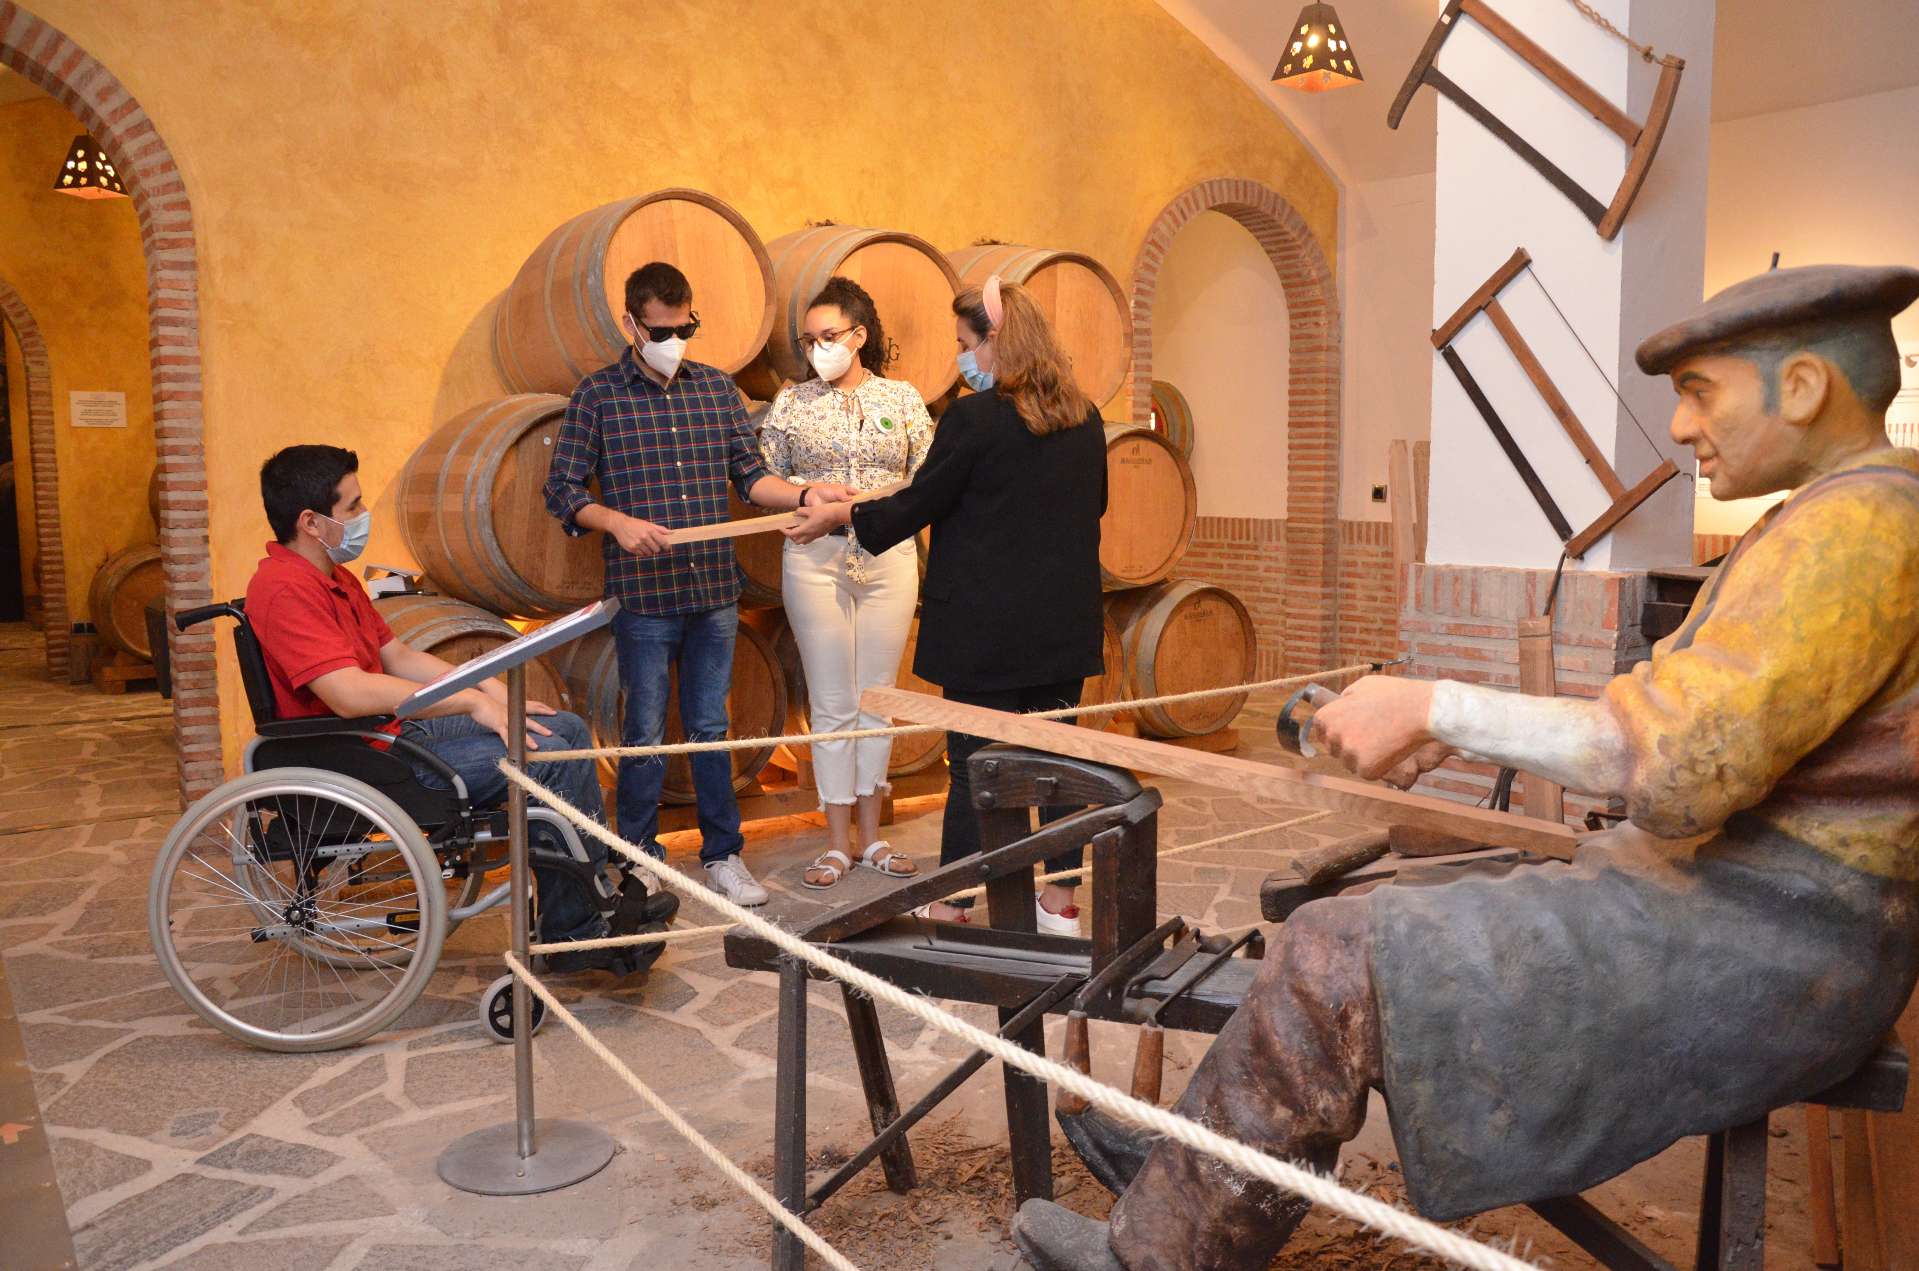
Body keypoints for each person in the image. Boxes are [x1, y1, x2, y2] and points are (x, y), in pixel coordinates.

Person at [1010, 263, 1919, 1270]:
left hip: (1768, 945)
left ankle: (1161, 1246)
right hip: (1744, 907)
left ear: (1802, 385)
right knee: (1368, 919)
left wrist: (1436, 705)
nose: (1678, 426)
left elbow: (1677, 761)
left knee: (1330, 952)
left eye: (1700, 392)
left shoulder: (1859, 527)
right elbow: (1683, 706)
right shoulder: (1836, 512)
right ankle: (1199, 1172)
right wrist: (1463, 726)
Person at [243, 445, 671, 976]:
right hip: (358, 759)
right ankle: (575, 930)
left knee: (561, 726)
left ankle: (590, 891)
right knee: (548, 759)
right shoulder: (284, 589)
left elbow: (398, 656)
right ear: (311, 522)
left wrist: (490, 688)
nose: (362, 517)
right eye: (352, 507)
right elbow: (347, 694)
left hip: (385, 738)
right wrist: (471, 703)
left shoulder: (335, 577)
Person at [787, 275, 1107, 935]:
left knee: (973, 767)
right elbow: (1096, 504)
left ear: (997, 341)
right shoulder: (1085, 415)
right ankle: (1059, 904)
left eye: (966, 344)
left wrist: (841, 516)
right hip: (1061, 624)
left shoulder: (974, 418)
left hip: (985, 628)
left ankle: (955, 904)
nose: (963, 359)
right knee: (1055, 763)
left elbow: (919, 502)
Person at [544, 261, 855, 907]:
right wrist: (616, 521)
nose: (673, 340)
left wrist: (804, 494)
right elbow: (562, 490)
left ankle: (723, 854)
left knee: (713, 726)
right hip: (644, 596)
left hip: (713, 589)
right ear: (631, 324)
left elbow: (751, 477)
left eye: (684, 329)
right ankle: (640, 858)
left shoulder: (716, 389)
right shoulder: (598, 395)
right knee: (645, 730)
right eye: (660, 331)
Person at [759, 277, 933, 890]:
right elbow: (763, 480)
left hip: (889, 558)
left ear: (859, 336)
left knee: (878, 698)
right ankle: (835, 844)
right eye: (809, 340)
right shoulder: (791, 402)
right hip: (814, 561)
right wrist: (808, 497)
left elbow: (928, 480)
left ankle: (874, 836)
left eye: (828, 336)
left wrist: (869, 510)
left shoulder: (902, 399)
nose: (818, 349)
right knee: (832, 702)